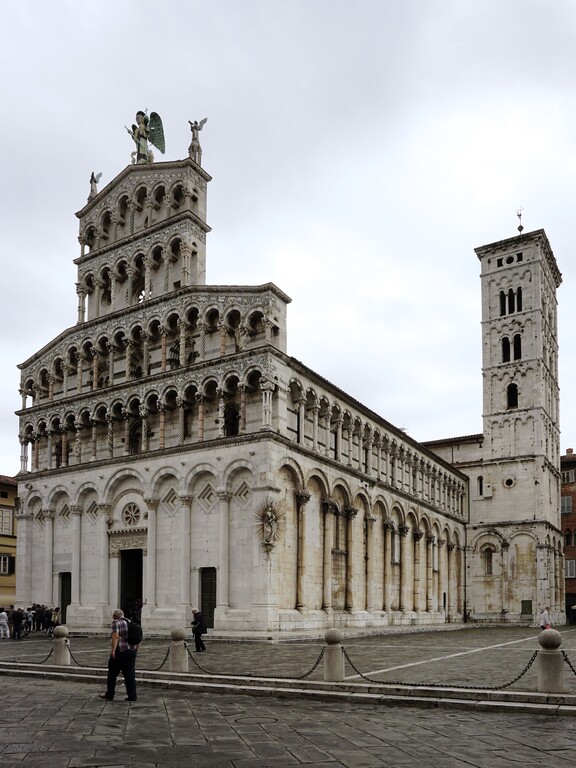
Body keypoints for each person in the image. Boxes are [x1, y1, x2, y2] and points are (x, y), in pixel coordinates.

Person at [99, 608, 140, 702]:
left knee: (112, 673)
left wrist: (113, 650)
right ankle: (132, 696)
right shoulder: (131, 623)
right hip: (131, 651)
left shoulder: (116, 623)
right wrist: (136, 651)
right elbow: (139, 638)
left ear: (114, 616)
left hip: (120, 652)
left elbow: (115, 636)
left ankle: (110, 694)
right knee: (130, 675)